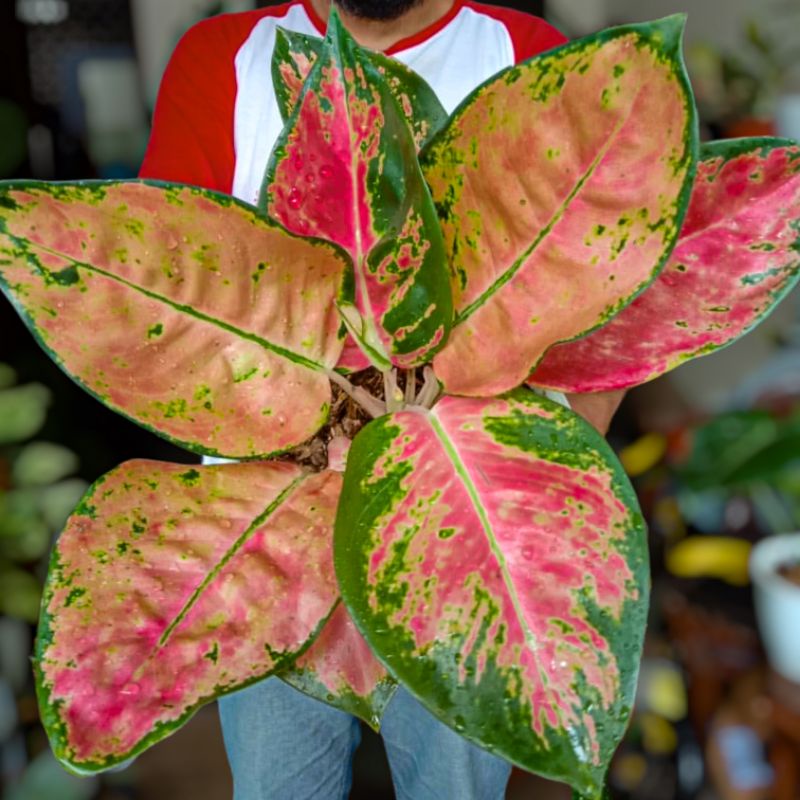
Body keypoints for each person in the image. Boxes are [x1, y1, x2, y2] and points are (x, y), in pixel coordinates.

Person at [139, 2, 620, 797]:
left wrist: (557, 479)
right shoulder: (222, 58)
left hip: (463, 539)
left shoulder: (525, 53)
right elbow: (159, 303)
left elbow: (607, 291)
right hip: (272, 540)